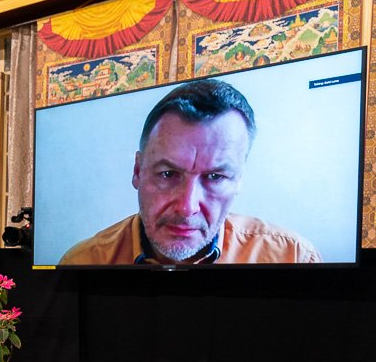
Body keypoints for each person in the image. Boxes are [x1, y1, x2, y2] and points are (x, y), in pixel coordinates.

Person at [59, 78, 321, 265]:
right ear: (138, 171)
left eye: (215, 177)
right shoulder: (82, 263)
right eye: (168, 174)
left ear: (238, 181)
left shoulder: (293, 257)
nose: (187, 208)